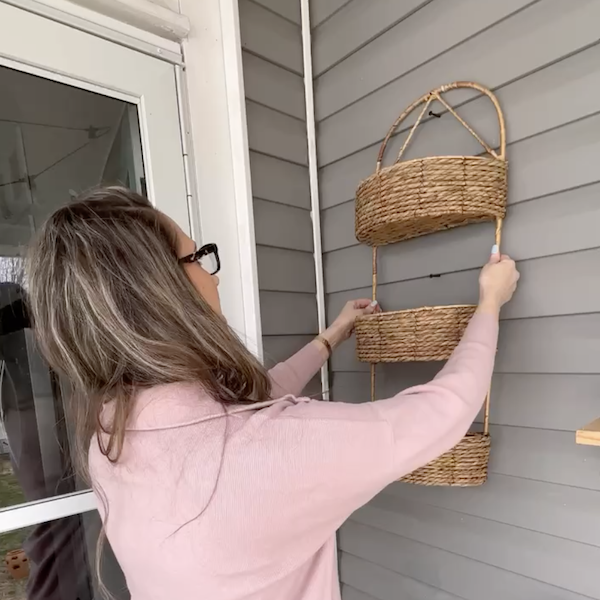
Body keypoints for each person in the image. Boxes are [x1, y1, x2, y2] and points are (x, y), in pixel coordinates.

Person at [24, 187, 519, 600]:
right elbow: (444, 410)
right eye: (198, 257)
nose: (212, 273)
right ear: (166, 291)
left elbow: (246, 413)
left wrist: (330, 338)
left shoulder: (110, 439)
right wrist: (490, 303)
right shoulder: (271, 450)